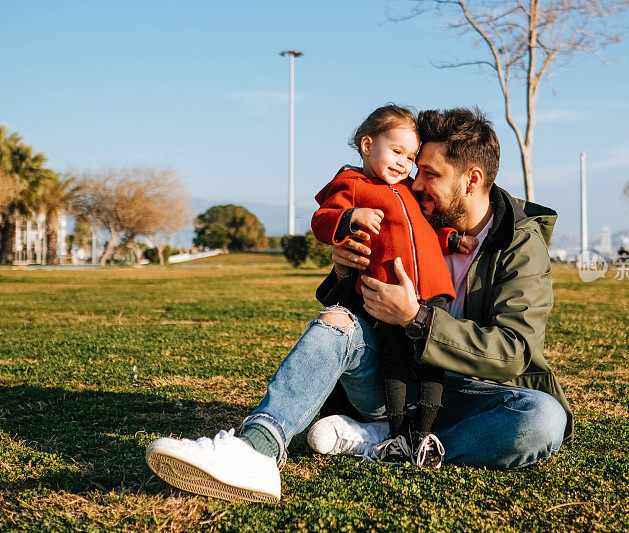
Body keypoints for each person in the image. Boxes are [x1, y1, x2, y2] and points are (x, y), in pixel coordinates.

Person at [145, 107, 573, 504]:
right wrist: (345, 269)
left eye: (430, 174)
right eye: (415, 170)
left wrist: (416, 318)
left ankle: (387, 443)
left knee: (543, 420)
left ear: (472, 179)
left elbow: (513, 351)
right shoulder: (412, 212)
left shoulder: (520, 244)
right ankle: (258, 449)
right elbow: (355, 293)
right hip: (388, 375)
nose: (415, 183)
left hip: (464, 393)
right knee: (338, 322)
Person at [310, 105, 477, 468]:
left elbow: (426, 229)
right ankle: (398, 432)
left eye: (411, 157)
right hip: (385, 293)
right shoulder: (352, 184)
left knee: (433, 358)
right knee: (395, 361)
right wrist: (351, 218)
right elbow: (321, 220)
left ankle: (425, 432)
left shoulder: (408, 190)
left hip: (433, 287)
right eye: (397, 151)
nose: (404, 163)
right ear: (367, 144)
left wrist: (450, 239)